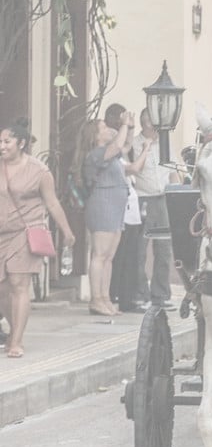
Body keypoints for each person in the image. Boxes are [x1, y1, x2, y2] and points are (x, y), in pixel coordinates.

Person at [0, 119, 75, 357]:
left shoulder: (39, 171)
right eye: (0, 141)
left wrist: (67, 232)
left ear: (21, 143)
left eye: (7, 141)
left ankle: (16, 341)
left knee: (18, 285)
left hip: (25, 232)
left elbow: (52, 203)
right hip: (1, 234)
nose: (2, 145)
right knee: (3, 289)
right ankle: (13, 331)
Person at [74, 114, 134, 316]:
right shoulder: (96, 154)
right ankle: (96, 299)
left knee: (108, 257)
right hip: (103, 204)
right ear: (96, 136)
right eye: (104, 127)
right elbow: (118, 147)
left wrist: (130, 128)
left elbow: (124, 146)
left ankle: (105, 297)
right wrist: (124, 124)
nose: (109, 129)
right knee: (99, 254)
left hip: (115, 205)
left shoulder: (109, 154)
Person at [104, 105, 150, 313]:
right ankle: (116, 295)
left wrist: (130, 127)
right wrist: (147, 149)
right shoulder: (106, 156)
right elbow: (134, 167)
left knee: (132, 253)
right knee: (120, 255)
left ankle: (128, 297)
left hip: (130, 207)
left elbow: (127, 145)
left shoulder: (119, 154)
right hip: (118, 208)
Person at [133, 108, 179, 312]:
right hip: (143, 198)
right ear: (144, 124)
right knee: (140, 250)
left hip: (163, 200)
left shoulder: (166, 144)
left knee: (164, 249)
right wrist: (145, 148)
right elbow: (135, 169)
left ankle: (160, 294)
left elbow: (172, 172)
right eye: (149, 123)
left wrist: (177, 194)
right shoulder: (134, 144)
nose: (152, 127)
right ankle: (140, 293)